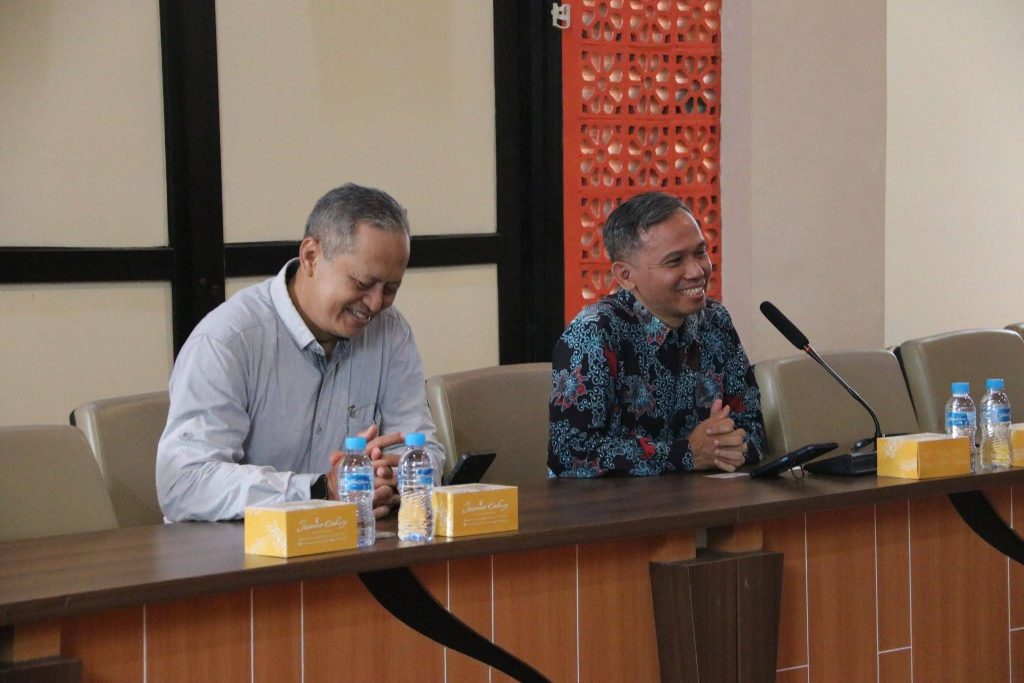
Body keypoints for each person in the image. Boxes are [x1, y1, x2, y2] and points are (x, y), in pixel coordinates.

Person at [157, 183, 445, 522]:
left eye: (391, 288)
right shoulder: (228, 340)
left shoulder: (390, 332)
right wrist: (318, 490)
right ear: (311, 257)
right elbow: (184, 482)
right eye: (362, 284)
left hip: (351, 540)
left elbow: (423, 448)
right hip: (239, 548)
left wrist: (392, 477)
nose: (376, 303)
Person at [548, 191, 764, 477]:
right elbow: (570, 455)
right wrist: (686, 454)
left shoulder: (715, 321)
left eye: (700, 252)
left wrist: (727, 445)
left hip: (704, 496)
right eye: (674, 261)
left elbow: (754, 428)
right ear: (625, 276)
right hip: (614, 504)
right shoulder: (594, 334)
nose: (697, 271)